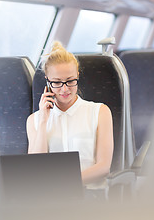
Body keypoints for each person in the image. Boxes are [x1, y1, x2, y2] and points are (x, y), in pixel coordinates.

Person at [26, 41, 114, 194]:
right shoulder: (34, 120)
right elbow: (35, 169)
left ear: (77, 76)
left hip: (90, 196)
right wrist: (43, 121)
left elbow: (103, 166)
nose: (65, 89)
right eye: (57, 83)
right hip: (50, 199)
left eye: (70, 81)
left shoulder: (100, 112)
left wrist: (67, 183)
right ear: (48, 81)